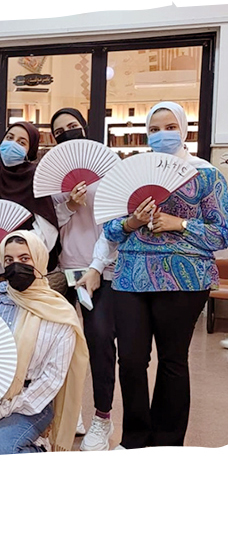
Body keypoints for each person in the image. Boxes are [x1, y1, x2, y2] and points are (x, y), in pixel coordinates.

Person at [102, 101, 228, 449]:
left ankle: (168, 444)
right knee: (129, 360)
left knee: (173, 360)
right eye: (154, 130)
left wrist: (181, 223)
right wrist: (132, 222)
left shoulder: (206, 175)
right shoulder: (131, 172)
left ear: (185, 129)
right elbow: (110, 231)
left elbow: (222, 234)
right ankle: (135, 440)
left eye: (169, 127)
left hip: (185, 278)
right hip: (130, 277)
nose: (161, 135)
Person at [0, 231, 89, 456]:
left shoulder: (59, 313)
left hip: (30, 402)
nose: (16, 266)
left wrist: (2, 411)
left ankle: (37, 453)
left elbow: (51, 380)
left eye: (24, 259)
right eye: (9, 260)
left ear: (40, 259)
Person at [47, 108, 119, 451]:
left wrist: (97, 265)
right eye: (60, 131)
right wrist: (68, 205)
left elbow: (117, 226)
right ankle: (68, 409)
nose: (67, 134)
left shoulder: (110, 170)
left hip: (102, 270)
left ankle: (102, 419)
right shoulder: (54, 179)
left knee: (101, 341)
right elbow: (51, 227)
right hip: (66, 267)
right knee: (58, 342)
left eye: (73, 127)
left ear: (86, 129)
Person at [0, 121, 61, 272]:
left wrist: (7, 247)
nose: (12, 145)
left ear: (30, 150)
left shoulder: (36, 177)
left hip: (27, 265)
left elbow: (47, 230)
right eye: (9, 138)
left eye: (22, 142)